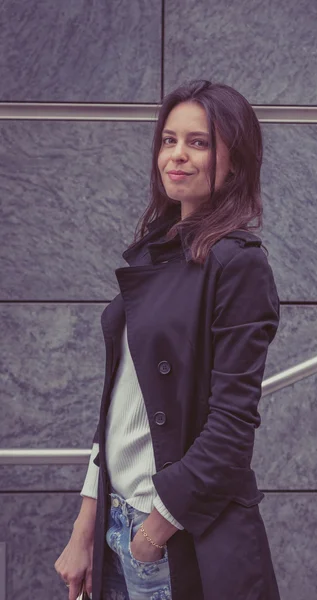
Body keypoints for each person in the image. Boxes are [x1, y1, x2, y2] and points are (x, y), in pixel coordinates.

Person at [54, 79, 281, 600]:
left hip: (173, 538)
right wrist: (86, 527)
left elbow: (231, 427)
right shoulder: (157, 251)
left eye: (198, 142)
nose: (177, 155)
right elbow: (118, 405)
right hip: (117, 527)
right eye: (168, 140)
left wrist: (151, 536)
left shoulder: (238, 264)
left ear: (235, 160)